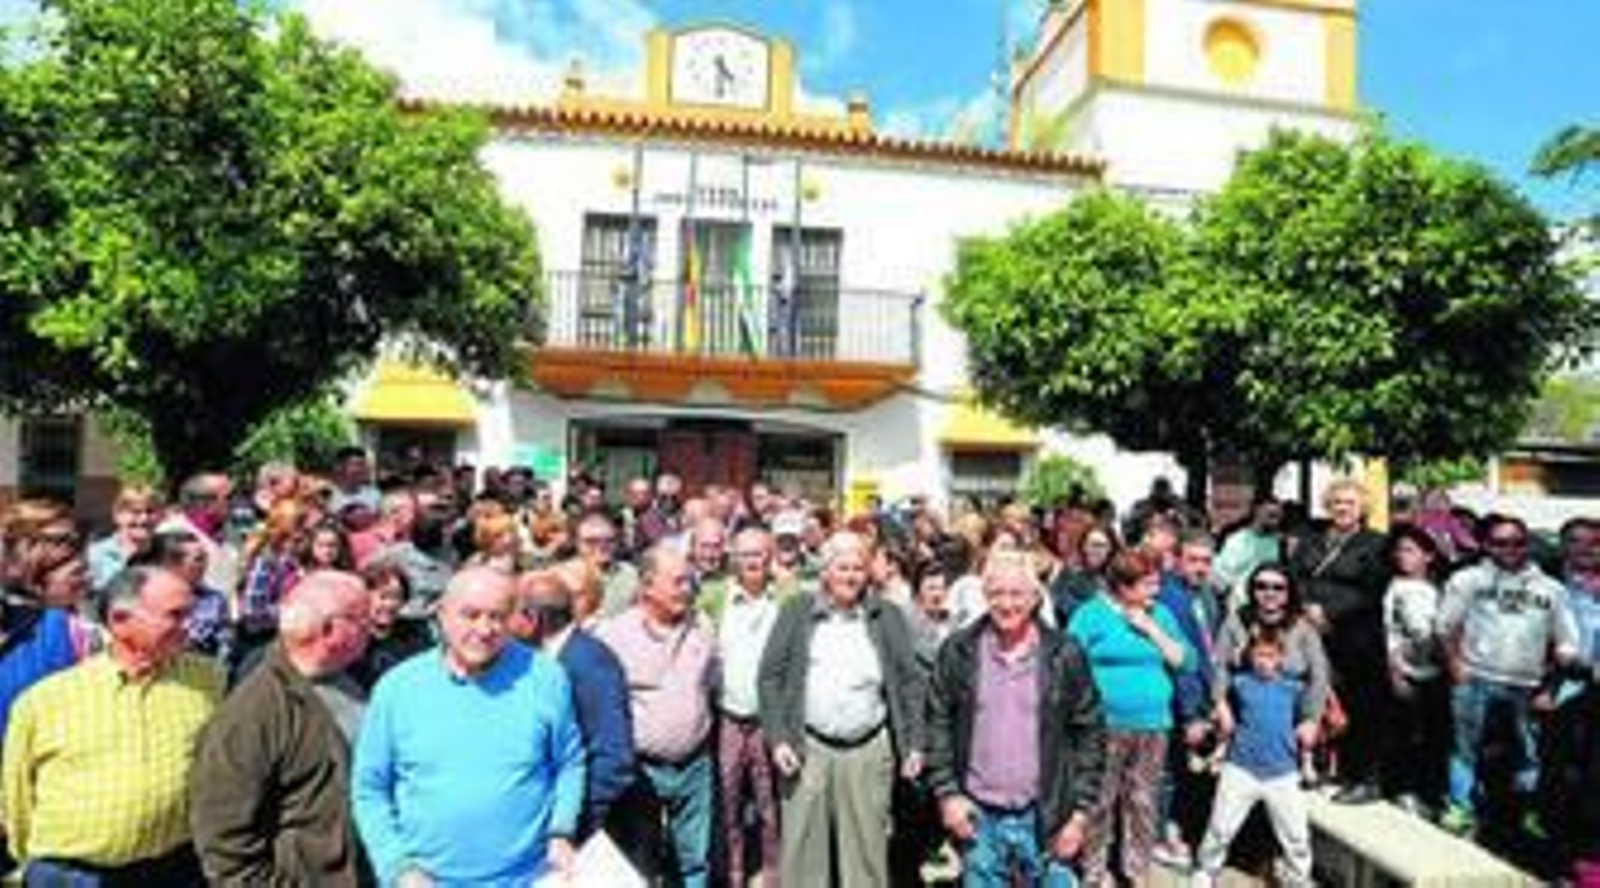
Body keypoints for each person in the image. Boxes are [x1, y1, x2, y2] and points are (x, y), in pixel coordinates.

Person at [352, 566, 585, 886]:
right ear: (441, 616)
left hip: (528, 876)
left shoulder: (546, 677)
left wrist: (561, 831)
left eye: (497, 617)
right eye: (471, 615)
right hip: (428, 880)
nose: (484, 629)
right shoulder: (397, 689)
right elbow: (370, 788)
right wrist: (397, 867)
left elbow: (569, 762)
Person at [3, 566, 223, 885]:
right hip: (74, 875)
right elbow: (17, 797)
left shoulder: (209, 679)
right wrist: (31, 862)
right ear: (120, 621)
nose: (190, 625)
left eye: (191, 613)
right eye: (176, 615)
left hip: (176, 868)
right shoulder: (46, 701)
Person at [927, 550, 1107, 886]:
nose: (1007, 604)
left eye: (1016, 594)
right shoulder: (958, 651)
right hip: (979, 818)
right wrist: (948, 794)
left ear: (1036, 597)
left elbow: (1090, 736)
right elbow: (937, 725)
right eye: (997, 593)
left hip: (1047, 816)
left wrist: (1079, 815)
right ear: (984, 595)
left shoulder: (1065, 653)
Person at [759, 531, 928, 888]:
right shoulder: (797, 611)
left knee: (866, 861)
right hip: (808, 748)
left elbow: (910, 682)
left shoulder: (886, 616)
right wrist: (778, 739)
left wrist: (914, 743)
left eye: (858, 568)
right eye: (842, 568)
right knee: (803, 861)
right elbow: (770, 678)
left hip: (868, 749)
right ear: (825, 570)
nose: (850, 576)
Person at [189, 571, 372, 884]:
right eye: (362, 619)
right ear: (329, 630)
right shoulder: (253, 711)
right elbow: (223, 841)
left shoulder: (347, 676)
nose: (371, 627)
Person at [1436, 513, 1578, 837]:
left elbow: (1567, 640)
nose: (1509, 549)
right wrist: (1455, 665)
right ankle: (1460, 808)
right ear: (1486, 545)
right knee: (1465, 748)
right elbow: (1445, 627)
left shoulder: (1552, 589)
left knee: (1530, 753)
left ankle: (1528, 812)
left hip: (1527, 684)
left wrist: (1553, 683)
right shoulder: (1468, 579)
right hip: (1475, 678)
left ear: (1527, 544)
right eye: (1500, 543)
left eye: (1517, 542)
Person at [1066, 547, 1193, 888]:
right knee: (1099, 800)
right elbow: (1067, 663)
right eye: (1148, 583)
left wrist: (1151, 628)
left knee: (1143, 800)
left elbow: (1186, 661)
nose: (1156, 590)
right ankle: (1094, 871)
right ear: (1123, 586)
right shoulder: (1091, 614)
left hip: (1152, 724)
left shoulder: (1160, 614)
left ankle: (1137, 870)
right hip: (1103, 725)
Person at [595, 546, 716, 887]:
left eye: (689, 581)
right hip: (641, 770)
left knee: (695, 860)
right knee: (639, 860)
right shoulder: (614, 636)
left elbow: (712, 683)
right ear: (647, 586)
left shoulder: (702, 626)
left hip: (694, 766)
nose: (687, 589)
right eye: (677, 582)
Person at [513, 570, 636, 841]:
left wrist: (576, 823)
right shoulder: (540, 659)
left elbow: (614, 757)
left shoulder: (589, 662)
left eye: (511, 611)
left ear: (533, 619)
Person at [1288, 478, 1389, 803]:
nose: (1342, 508)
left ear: (1362, 508)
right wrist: (1306, 607)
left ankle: (1365, 778)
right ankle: (1325, 767)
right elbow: (1295, 576)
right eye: (1337, 502)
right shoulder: (1312, 540)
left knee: (1360, 706)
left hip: (1356, 637)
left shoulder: (1377, 543)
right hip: (1312, 634)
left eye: (1350, 502)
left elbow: (1374, 590)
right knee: (1318, 699)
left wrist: (1330, 613)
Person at [1193, 629, 1315, 888]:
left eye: (1270, 656)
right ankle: (1206, 869)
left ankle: (1299, 877)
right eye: (1259, 655)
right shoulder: (1240, 684)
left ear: (1280, 658)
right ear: (1250, 655)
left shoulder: (1293, 688)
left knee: (1296, 834)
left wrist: (1307, 762)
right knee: (1221, 826)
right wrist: (1219, 750)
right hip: (1241, 767)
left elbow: (1305, 727)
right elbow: (1221, 703)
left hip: (1282, 771)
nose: (1264, 661)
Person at [702, 527, 786, 887]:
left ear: (771, 557)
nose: (753, 561)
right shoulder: (714, 598)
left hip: (770, 720)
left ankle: (773, 871)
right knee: (728, 800)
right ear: (733, 558)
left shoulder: (786, 598)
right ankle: (734, 871)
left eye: (760, 553)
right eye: (746, 554)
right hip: (729, 718)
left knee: (771, 802)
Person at [1212, 564, 1331, 788]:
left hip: (1289, 722)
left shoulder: (1302, 626)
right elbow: (1220, 665)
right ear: (1252, 589)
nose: (1270, 593)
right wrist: (1220, 704)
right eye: (1262, 586)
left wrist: (1311, 719)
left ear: (1288, 593)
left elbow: (1319, 674)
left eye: (1278, 588)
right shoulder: (1237, 621)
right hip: (1243, 720)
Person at [1382, 524, 1450, 814]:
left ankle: (1430, 791)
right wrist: (1395, 673)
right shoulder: (1394, 587)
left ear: (1428, 555)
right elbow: (1390, 634)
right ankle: (1404, 789)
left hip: (1439, 671)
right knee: (1406, 734)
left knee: (1435, 735)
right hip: (1406, 672)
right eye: (1399, 550)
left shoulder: (1442, 587)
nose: (1402, 556)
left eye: (1410, 550)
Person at [86, 484, 163, 593]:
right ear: (117, 515)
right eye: (136, 512)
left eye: (150, 512)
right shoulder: (96, 555)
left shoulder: (168, 552)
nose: (144, 518)